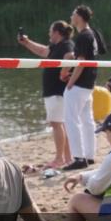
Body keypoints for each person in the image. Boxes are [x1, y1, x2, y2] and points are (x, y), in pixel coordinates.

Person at [19, 21, 75, 169]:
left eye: (51, 31)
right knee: (60, 124)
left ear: (57, 32)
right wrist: (26, 42)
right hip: (54, 91)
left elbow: (71, 55)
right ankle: (67, 158)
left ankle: (59, 158)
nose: (49, 34)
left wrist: (65, 70)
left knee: (56, 124)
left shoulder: (66, 44)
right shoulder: (55, 47)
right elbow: (43, 51)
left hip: (57, 91)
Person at [61, 5, 103, 170]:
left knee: (71, 120)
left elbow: (82, 61)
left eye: (73, 14)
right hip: (89, 82)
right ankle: (89, 155)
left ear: (79, 16)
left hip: (80, 84)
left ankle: (79, 157)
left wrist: (71, 81)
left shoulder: (83, 36)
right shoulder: (93, 34)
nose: (71, 16)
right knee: (87, 120)